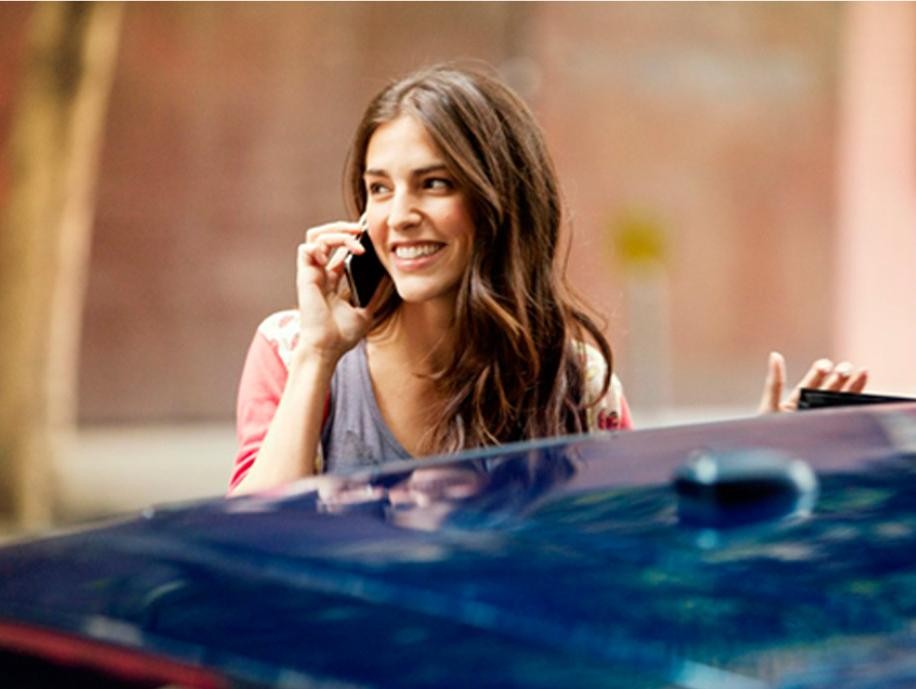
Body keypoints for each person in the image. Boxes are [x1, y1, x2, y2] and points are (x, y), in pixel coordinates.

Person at [229, 63, 867, 496]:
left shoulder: (574, 380)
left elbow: (628, 546)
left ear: (499, 201)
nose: (399, 217)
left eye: (435, 183)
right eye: (378, 189)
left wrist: (752, 457)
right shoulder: (291, 350)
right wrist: (319, 354)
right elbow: (242, 543)